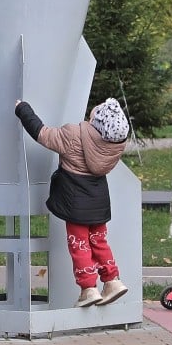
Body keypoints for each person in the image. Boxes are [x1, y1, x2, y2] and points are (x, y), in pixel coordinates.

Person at [14, 97, 130, 308]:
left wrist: (22, 108)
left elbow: (41, 133)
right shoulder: (114, 146)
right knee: (99, 241)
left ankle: (88, 289)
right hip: (99, 203)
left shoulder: (72, 135)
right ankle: (112, 280)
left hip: (75, 202)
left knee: (80, 246)